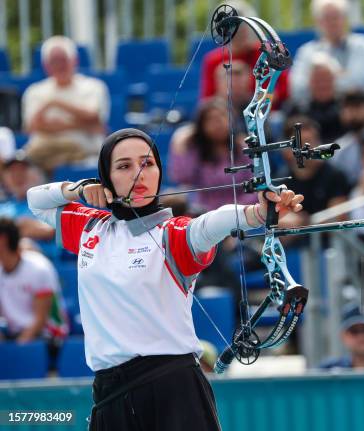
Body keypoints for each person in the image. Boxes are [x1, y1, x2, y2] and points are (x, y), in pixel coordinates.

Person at [26, 127, 303, 430]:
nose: (138, 175)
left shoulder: (174, 235)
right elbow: (35, 200)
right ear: (106, 178)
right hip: (110, 392)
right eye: (124, 166)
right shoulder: (90, 227)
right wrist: (78, 190)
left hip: (172, 388)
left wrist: (257, 213)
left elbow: (212, 222)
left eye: (148, 164)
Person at [22, 36, 110, 175]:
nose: (59, 65)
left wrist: (55, 103)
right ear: (46, 65)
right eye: (54, 61)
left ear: (74, 60)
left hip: (84, 153)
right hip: (43, 153)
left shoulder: (94, 87)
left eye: (63, 59)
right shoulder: (34, 91)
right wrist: (80, 123)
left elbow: (94, 117)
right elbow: (32, 126)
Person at [168, 99, 257, 214]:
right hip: (203, 214)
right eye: (210, 119)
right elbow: (182, 177)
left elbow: (256, 185)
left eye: (222, 117)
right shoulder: (196, 150)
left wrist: (234, 209)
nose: (217, 123)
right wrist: (180, 145)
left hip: (242, 212)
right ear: (201, 125)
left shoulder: (243, 147)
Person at [199, 1, 289, 109]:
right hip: (227, 116)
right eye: (233, 28)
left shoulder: (266, 52)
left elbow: (284, 89)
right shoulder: (213, 60)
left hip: (266, 114)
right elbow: (208, 99)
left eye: (243, 26)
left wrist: (261, 99)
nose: (239, 32)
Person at [290, 0, 364, 103]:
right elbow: (297, 88)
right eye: (326, 18)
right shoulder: (306, 51)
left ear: (345, 19)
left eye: (336, 17)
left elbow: (359, 82)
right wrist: (340, 75)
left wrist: (318, 82)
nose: (332, 23)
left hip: (350, 111)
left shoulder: (362, 44)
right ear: (318, 21)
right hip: (314, 111)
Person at [0, 217, 67, 344]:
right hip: (16, 336)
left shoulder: (38, 268)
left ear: (2, 240)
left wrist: (15, 350)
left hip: (47, 337)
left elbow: (40, 320)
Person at [285, 53, 345, 143]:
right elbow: (286, 141)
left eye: (326, 79)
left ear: (334, 80)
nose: (322, 85)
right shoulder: (297, 108)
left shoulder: (345, 106)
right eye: (317, 80)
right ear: (309, 82)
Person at [0, 152, 55, 246]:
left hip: (42, 257)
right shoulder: (2, 207)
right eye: (12, 171)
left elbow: (49, 231)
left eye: (23, 170)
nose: (17, 175)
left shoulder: (51, 202)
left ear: (37, 174)